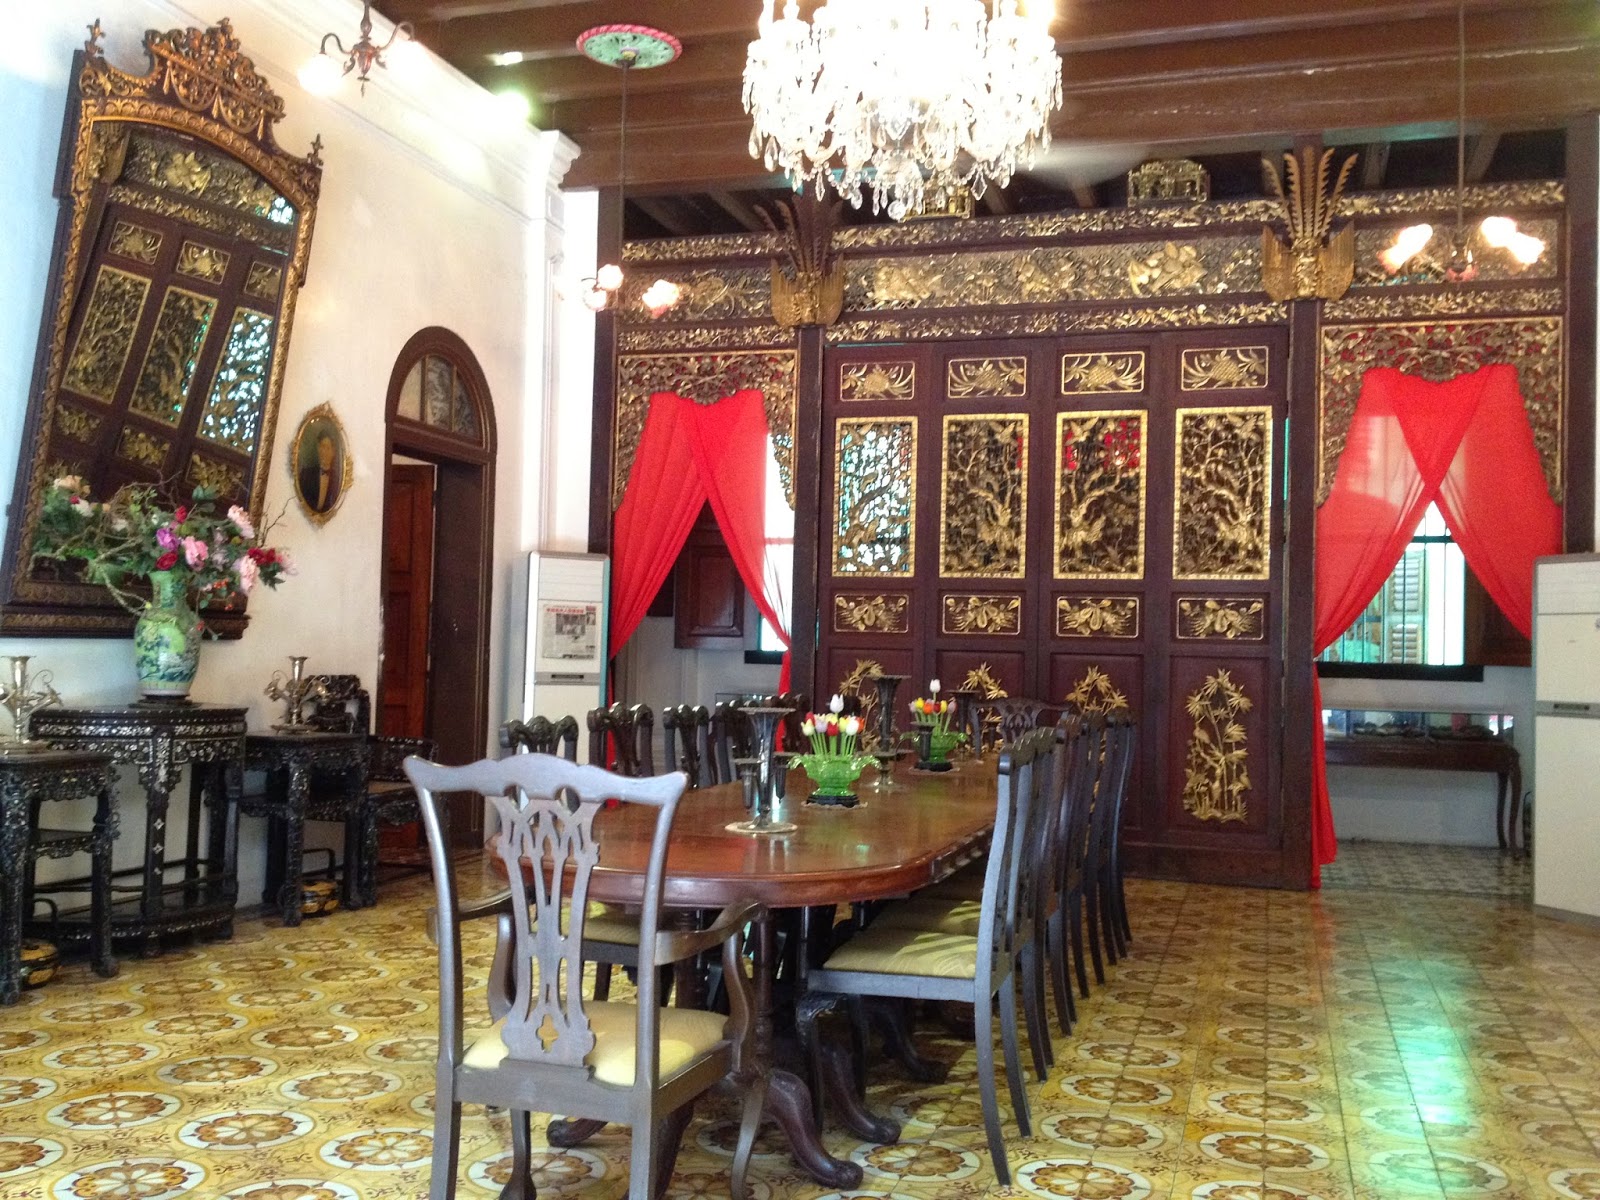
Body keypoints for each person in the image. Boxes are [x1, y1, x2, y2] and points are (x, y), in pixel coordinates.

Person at [298, 432, 341, 513]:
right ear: (318, 449)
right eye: (322, 446)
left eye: (328, 448)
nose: (324, 452)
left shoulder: (337, 480)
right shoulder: (306, 474)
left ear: (333, 452)